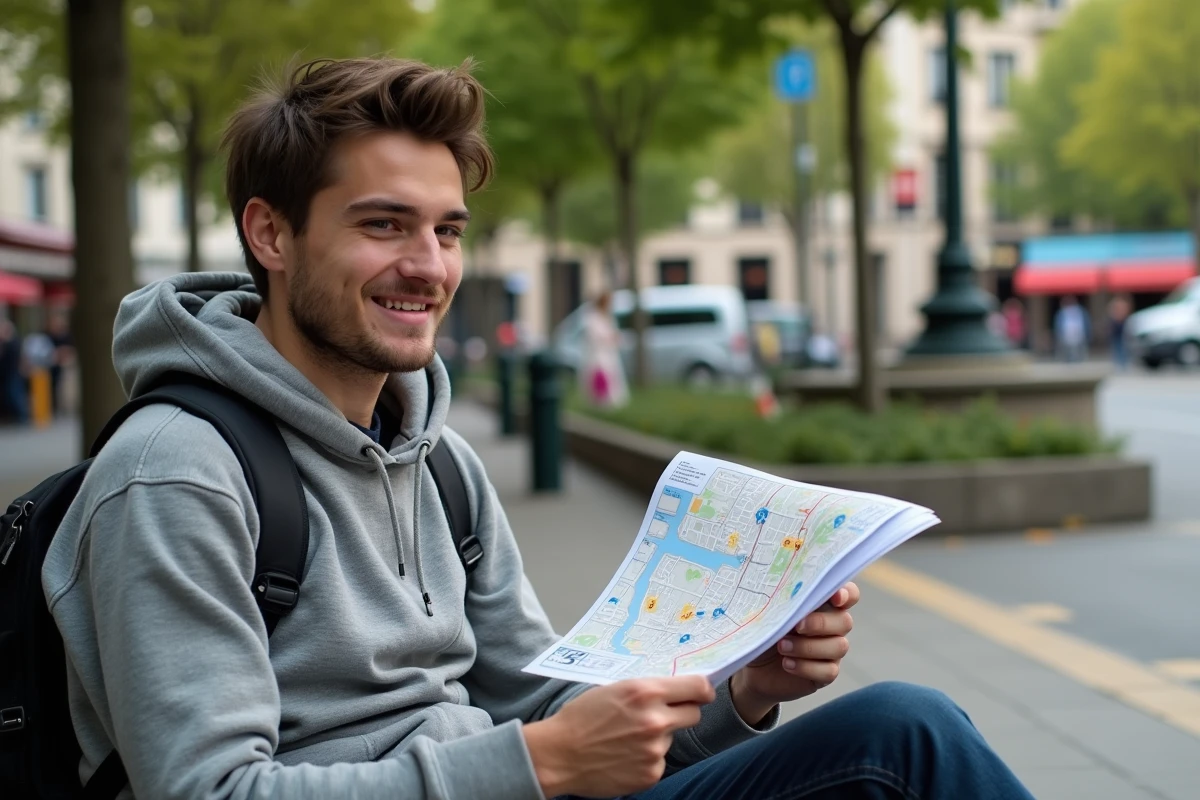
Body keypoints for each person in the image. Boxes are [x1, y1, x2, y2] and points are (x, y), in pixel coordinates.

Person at [45, 57, 1034, 800]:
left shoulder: (444, 464)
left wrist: (738, 688)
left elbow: (553, 714)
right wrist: (532, 763)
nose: (428, 266)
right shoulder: (174, 471)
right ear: (271, 233)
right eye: (384, 225)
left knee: (897, 731)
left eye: (447, 230)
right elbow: (208, 790)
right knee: (902, 746)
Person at [580, 290, 629, 408]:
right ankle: (600, 401)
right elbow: (595, 336)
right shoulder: (593, 317)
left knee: (610, 376)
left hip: (608, 353)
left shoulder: (607, 316)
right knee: (601, 375)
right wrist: (609, 338)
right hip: (598, 354)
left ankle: (608, 401)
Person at [1054, 295, 1090, 362]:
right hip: (1066, 336)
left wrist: (1087, 333)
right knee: (1068, 352)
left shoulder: (1080, 311)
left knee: (1079, 352)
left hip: (1079, 335)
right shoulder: (1062, 313)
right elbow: (1058, 325)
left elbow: (1085, 323)